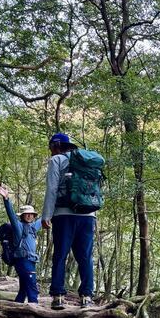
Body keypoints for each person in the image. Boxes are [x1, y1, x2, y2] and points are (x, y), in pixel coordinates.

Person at [41, 132, 96, 309]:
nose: (50, 151)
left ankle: (58, 296)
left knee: (60, 255)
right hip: (88, 215)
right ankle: (87, 297)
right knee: (85, 257)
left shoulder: (56, 160)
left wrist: (46, 216)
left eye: (50, 147)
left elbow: (52, 189)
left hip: (63, 214)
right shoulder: (86, 161)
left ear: (56, 145)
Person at [0, 184, 42, 304]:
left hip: (31, 260)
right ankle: (34, 310)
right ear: (22, 216)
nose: (30, 215)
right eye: (27, 214)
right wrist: (6, 199)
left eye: (31, 214)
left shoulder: (33, 227)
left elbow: (44, 217)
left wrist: (56, 200)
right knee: (32, 287)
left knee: (24, 289)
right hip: (23, 260)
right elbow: (11, 215)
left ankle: (16, 307)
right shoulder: (18, 227)